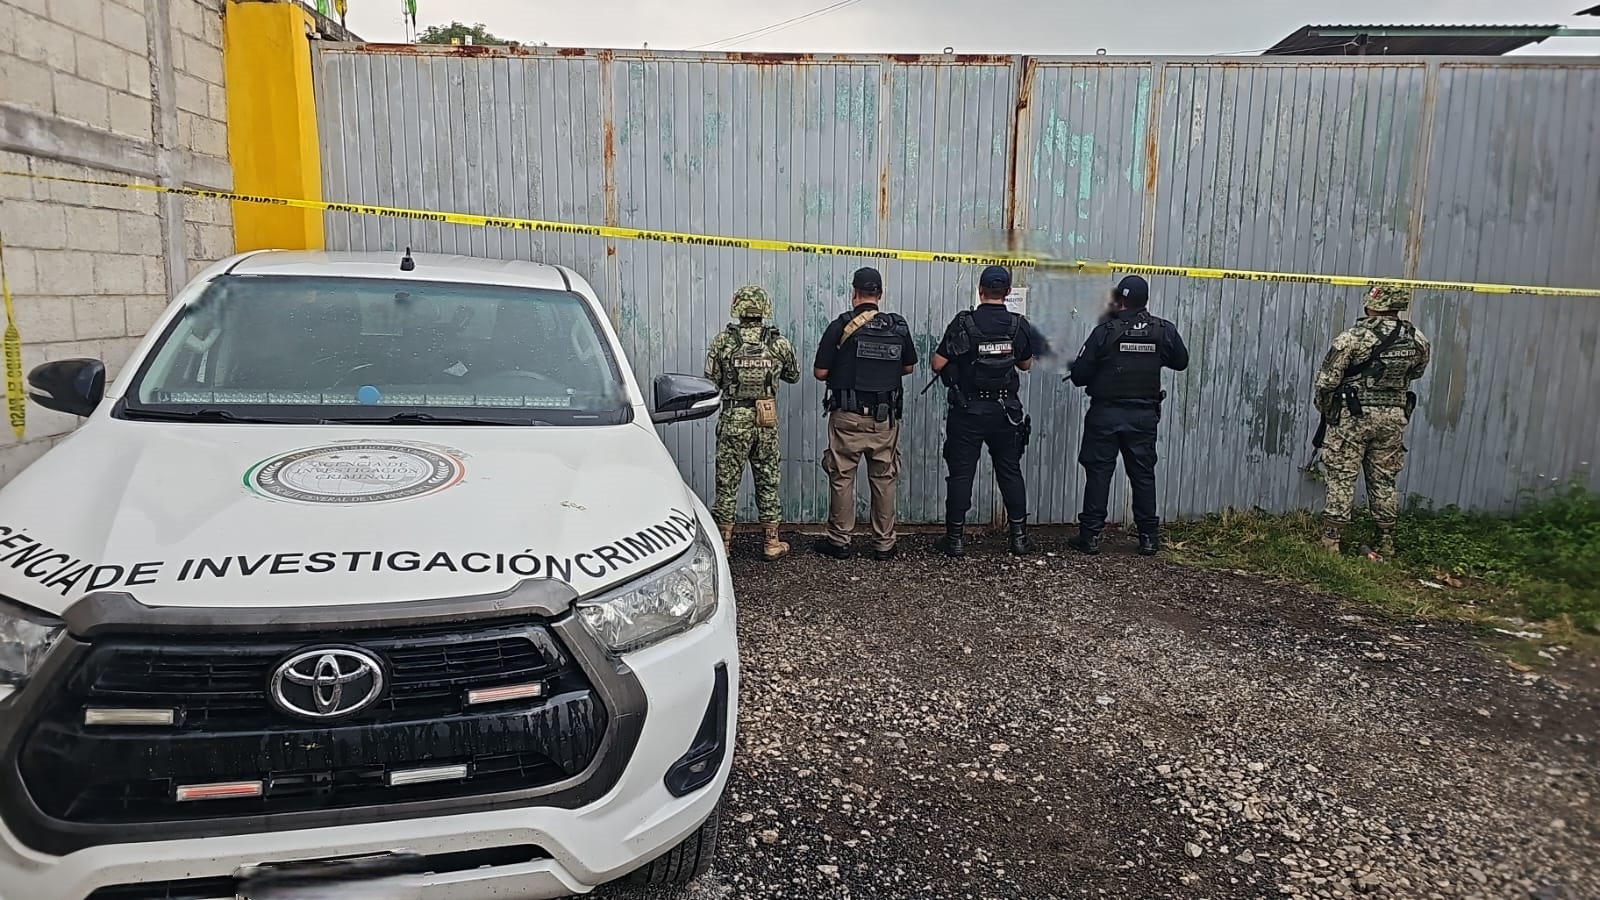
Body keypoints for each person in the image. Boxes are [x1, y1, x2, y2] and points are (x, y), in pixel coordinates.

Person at [1065, 274, 1190, 556]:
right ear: (1145, 300)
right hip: (1143, 415)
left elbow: (1079, 376)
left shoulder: (1105, 332)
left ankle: (1090, 536)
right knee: (1143, 474)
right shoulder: (1163, 330)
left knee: (1099, 473)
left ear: (1119, 301)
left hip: (1106, 415)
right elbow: (1181, 361)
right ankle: (1148, 538)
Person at [928, 265, 1043, 557]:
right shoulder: (1018, 325)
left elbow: (937, 364)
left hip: (968, 410)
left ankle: (955, 539)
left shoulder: (964, 323)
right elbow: (1025, 364)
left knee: (961, 473)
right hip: (1006, 411)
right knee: (1010, 471)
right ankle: (1019, 538)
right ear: (1007, 292)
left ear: (980, 291)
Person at [1312, 283, 1431, 558]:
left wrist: (1328, 410)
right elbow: (1417, 372)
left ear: (1372, 306)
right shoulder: (1416, 338)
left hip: (1353, 417)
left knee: (1342, 475)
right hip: (1394, 417)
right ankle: (1386, 539)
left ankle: (1331, 542)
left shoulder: (1353, 337)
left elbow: (1326, 381)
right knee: (1384, 477)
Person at [811, 266, 918, 560]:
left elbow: (820, 373)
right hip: (884, 419)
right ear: (880, 294)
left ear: (854, 293)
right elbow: (909, 366)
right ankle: (884, 544)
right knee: (884, 479)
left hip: (848, 416)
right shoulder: (897, 327)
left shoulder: (840, 326)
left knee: (842, 477)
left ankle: (839, 541)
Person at [705, 284, 801, 560]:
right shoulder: (779, 343)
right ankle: (771, 542)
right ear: (764, 309)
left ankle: (724, 543)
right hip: (765, 419)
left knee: (727, 483)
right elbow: (793, 375)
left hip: (734, 418)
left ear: (737, 308)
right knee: (768, 479)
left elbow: (711, 380)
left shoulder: (723, 342)